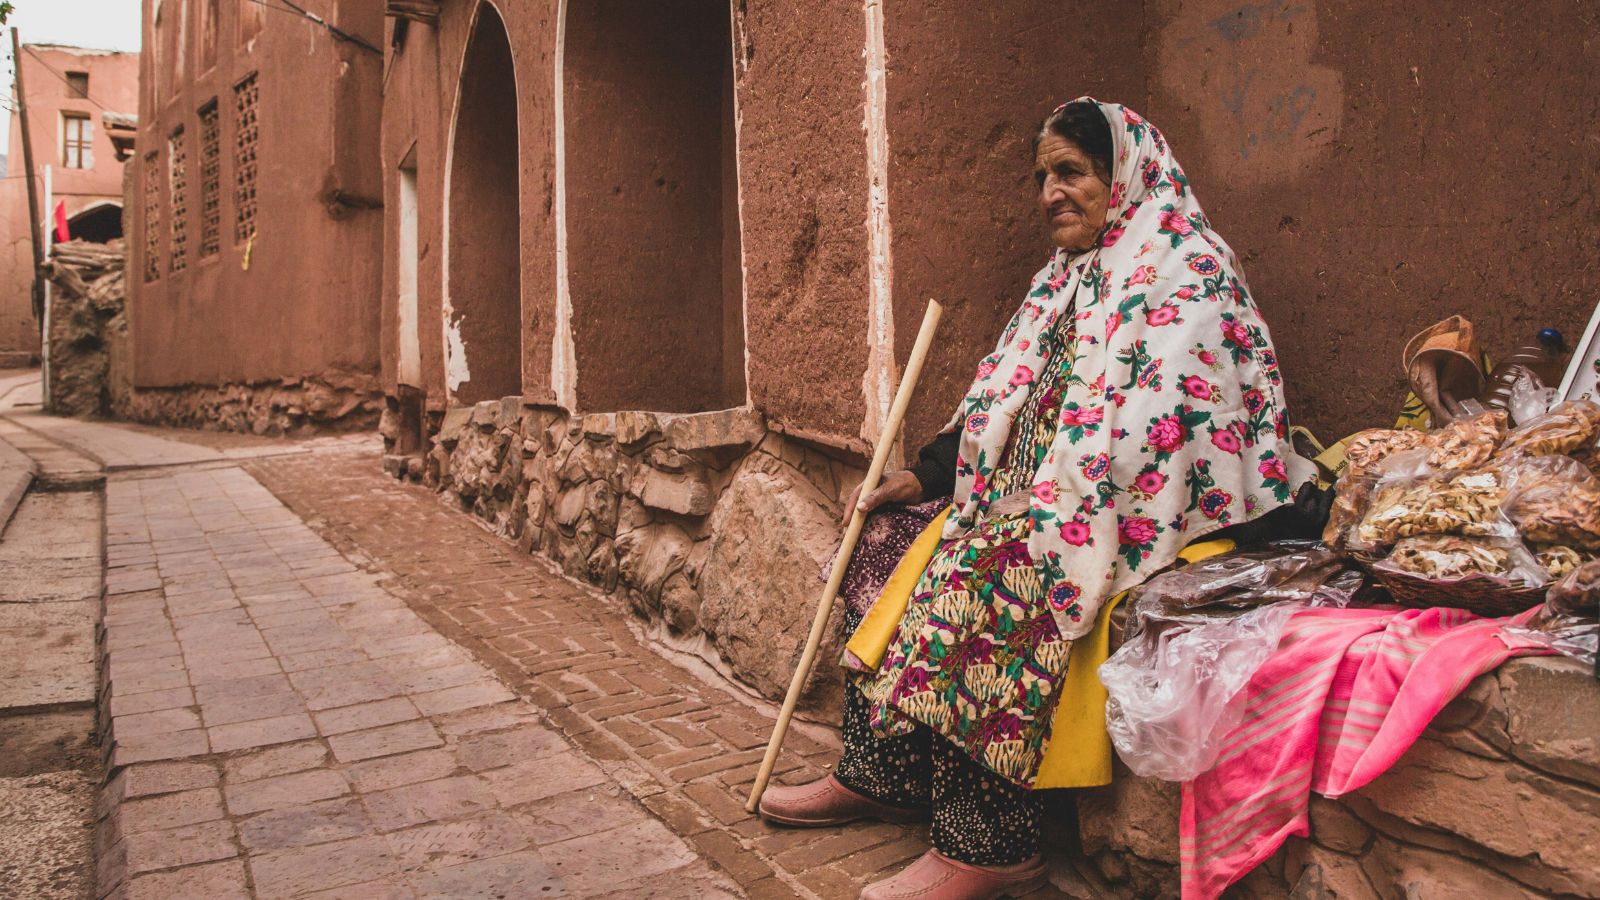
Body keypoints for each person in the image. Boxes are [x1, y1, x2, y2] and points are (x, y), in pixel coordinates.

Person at [757, 98, 1319, 900]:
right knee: (889, 539)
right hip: (1038, 495)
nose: (1051, 191)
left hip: (1158, 514)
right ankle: (882, 772)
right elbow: (1004, 402)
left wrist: (1051, 509)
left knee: (992, 573)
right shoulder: (1062, 278)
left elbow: (1167, 435)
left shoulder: (1183, 268)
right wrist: (927, 475)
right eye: (1043, 177)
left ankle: (987, 842)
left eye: (1071, 172)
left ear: (1121, 174)